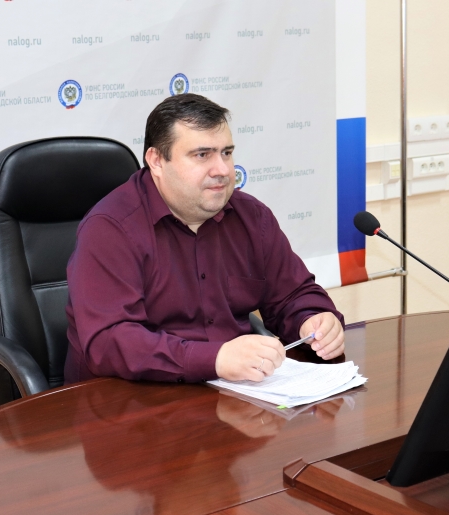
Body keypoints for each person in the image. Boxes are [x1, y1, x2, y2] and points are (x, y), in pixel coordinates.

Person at [64, 94, 345, 385]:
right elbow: (110, 341)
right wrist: (215, 359)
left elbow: (292, 294)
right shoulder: (110, 228)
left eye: (226, 153)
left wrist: (313, 319)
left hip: (232, 392)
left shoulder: (252, 217)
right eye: (202, 155)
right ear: (157, 161)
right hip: (130, 396)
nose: (222, 170)